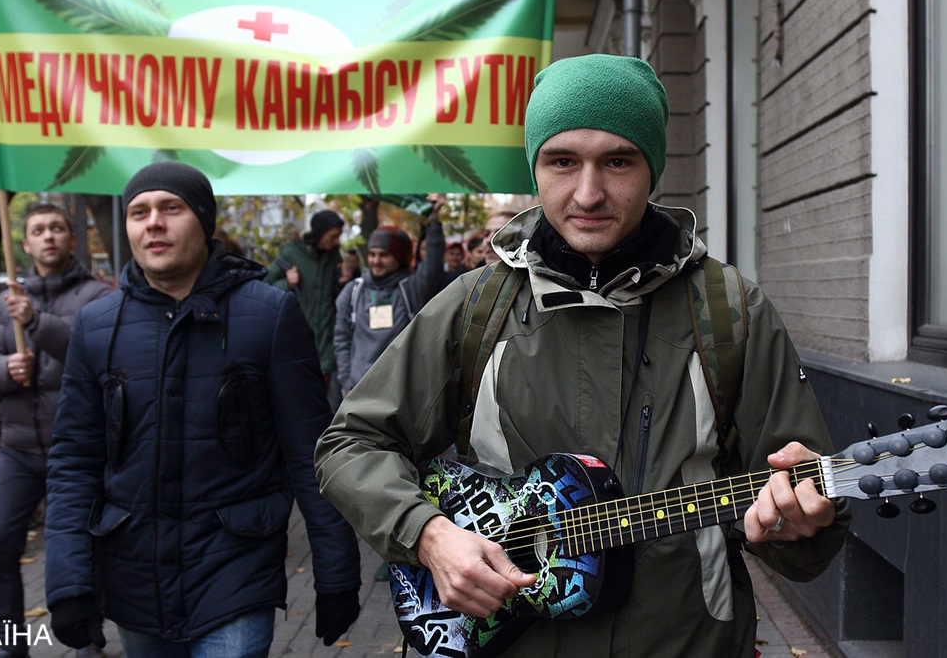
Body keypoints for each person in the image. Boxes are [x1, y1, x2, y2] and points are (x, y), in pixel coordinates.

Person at [315, 54, 850, 657]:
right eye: (562, 161)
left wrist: (804, 522)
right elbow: (350, 443)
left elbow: (802, 537)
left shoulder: (730, 312)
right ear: (536, 168)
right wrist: (429, 533)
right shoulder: (475, 307)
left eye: (617, 161)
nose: (588, 193)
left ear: (653, 169)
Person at [46, 162, 361, 657]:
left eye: (171, 208)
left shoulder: (269, 316)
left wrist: (337, 574)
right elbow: (74, 463)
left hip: (235, 574)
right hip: (133, 579)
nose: (153, 222)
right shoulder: (95, 326)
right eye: (138, 212)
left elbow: (312, 456)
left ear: (203, 221)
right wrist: (68, 584)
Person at [0, 202, 112, 658]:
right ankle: (10, 645)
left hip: (72, 451)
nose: (48, 236)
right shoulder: (5, 302)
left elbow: (89, 349)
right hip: (16, 450)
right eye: (38, 230)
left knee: (78, 551)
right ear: (26, 243)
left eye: (57, 228)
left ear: (72, 241)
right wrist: (7, 368)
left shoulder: (95, 296)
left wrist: (35, 322)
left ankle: (88, 639)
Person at [333, 193, 446, 399]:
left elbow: (433, 266)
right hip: (360, 391)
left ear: (399, 257)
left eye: (384, 255)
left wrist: (434, 221)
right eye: (372, 254)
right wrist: (347, 381)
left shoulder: (412, 288)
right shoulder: (352, 292)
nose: (376, 261)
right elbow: (342, 339)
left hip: (402, 394)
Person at [265, 209, 345, 402]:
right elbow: (264, 287)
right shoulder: (290, 253)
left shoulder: (333, 257)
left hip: (327, 347)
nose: (337, 241)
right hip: (296, 342)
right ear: (320, 232)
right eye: (333, 236)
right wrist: (287, 283)